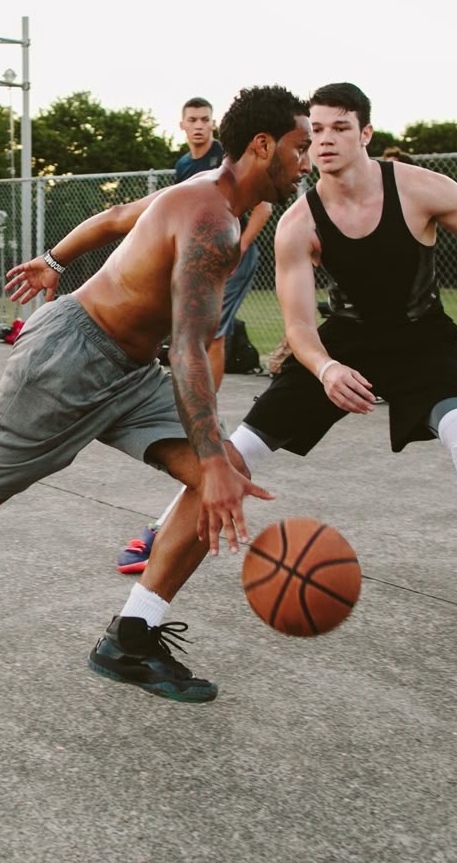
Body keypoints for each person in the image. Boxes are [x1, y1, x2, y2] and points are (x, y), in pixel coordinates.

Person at [102, 83, 457, 667]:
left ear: (367, 133)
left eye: (340, 127)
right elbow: (299, 326)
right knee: (238, 450)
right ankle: (161, 532)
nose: (325, 140)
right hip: (342, 344)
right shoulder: (300, 221)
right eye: (315, 130)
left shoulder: (422, 189)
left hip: (421, 340)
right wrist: (325, 367)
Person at [0, 85, 313, 704]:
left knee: (226, 472)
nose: (306, 161)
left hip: (130, 373)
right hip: (69, 360)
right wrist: (209, 458)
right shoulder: (212, 220)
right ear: (262, 145)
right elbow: (188, 348)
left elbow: (117, 218)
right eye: (300, 146)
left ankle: (131, 638)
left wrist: (53, 259)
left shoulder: (208, 195)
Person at [116, 97, 273, 573]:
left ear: (214, 125)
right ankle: (196, 398)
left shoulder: (229, 156)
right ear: (182, 125)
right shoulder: (185, 165)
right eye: (193, 120)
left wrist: (239, 248)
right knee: (192, 335)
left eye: (206, 120)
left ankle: (205, 406)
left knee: (210, 337)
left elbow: (262, 206)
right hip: (203, 250)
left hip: (231, 251)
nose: (200, 126)